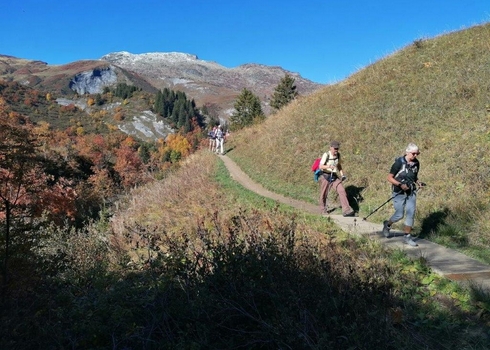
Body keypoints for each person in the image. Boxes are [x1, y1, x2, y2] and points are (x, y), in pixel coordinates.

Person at [382, 143, 424, 247]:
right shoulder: (398, 163)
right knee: (400, 214)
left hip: (411, 191)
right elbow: (389, 178)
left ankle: (407, 236)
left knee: (411, 212)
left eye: (417, 153)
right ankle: (387, 225)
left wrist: (418, 182)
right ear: (407, 152)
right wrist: (400, 185)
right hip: (398, 191)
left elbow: (414, 176)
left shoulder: (416, 163)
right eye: (413, 153)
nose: (415, 156)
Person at [318, 140, 355, 217]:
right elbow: (320, 166)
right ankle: (323, 210)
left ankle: (346, 210)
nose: (336, 150)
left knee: (342, 190)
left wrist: (342, 174)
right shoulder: (326, 155)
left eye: (337, 148)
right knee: (324, 194)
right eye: (335, 148)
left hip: (334, 176)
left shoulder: (338, 155)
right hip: (325, 176)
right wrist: (328, 166)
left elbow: (339, 165)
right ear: (330, 147)